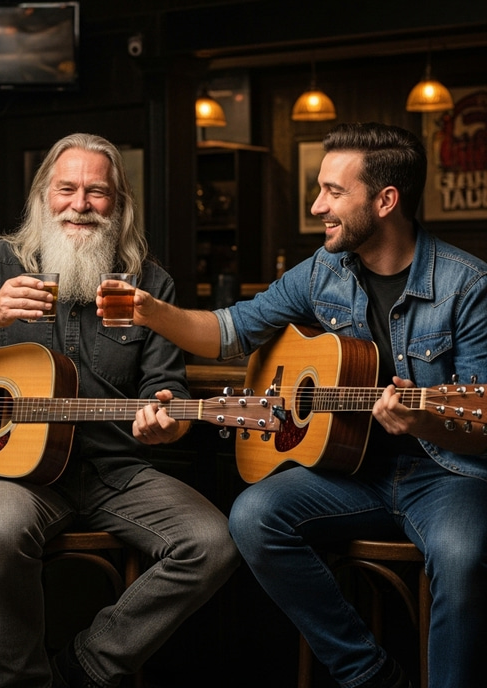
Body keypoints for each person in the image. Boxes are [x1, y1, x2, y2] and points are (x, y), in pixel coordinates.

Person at [107, 122, 487, 688]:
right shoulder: (322, 270)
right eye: (319, 189)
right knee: (254, 516)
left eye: (334, 192)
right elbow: (228, 331)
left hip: (444, 475)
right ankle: (369, 673)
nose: (317, 206)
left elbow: (481, 426)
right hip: (352, 473)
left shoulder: (467, 284)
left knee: (461, 558)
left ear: (385, 201)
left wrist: (424, 417)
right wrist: (150, 311)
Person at [0, 132, 239, 688]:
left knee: (214, 542)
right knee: (0, 523)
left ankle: (87, 667)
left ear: (119, 204)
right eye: (67, 189)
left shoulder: (150, 284)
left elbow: (167, 395)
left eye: (97, 192)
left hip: (117, 472)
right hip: (21, 474)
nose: (80, 204)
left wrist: (166, 421)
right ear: (42, 196)